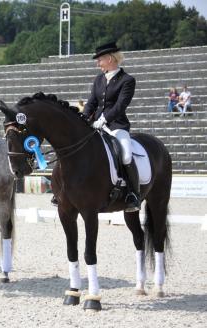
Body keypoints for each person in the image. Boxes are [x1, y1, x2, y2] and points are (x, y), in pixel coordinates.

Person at [82, 41, 140, 212]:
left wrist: (104, 119)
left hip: (116, 125)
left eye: (99, 59)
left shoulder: (127, 80)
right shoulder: (99, 79)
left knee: (126, 155)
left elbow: (121, 105)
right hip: (95, 125)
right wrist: (84, 119)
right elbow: (91, 103)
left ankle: (132, 194)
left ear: (109, 58)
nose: (97, 63)